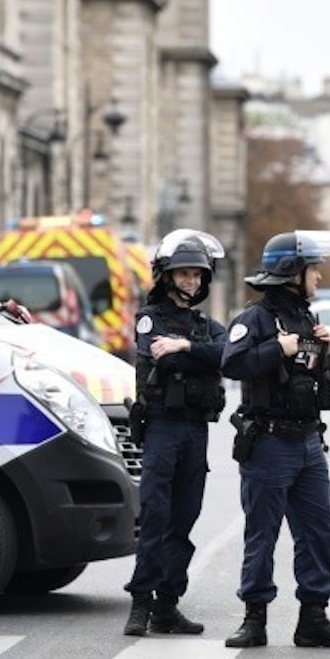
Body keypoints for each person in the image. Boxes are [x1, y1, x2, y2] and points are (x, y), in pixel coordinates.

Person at [221, 230, 330, 649]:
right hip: (268, 443)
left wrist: (326, 351)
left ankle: (313, 618)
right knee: (262, 534)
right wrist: (275, 350)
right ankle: (254, 619)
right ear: (292, 272)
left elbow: (315, 380)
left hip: (308, 443)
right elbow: (232, 363)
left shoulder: (308, 319)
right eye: (313, 268)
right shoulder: (255, 319)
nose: (319, 275)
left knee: (318, 532)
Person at [123, 229, 228, 637]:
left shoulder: (205, 325)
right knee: (155, 518)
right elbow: (157, 360)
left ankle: (167, 606)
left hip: (195, 430)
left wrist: (185, 349)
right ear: (167, 276)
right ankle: (140, 603)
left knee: (184, 520)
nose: (191, 281)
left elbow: (228, 356)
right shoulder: (151, 318)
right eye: (184, 274)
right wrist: (196, 355)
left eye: (197, 275)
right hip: (163, 427)